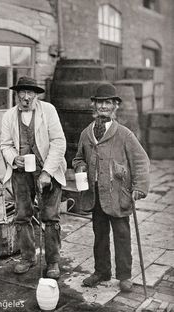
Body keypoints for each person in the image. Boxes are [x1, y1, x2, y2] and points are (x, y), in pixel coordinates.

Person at [72, 82, 150, 292]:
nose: (103, 106)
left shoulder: (124, 134)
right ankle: (101, 271)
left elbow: (141, 161)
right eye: (99, 103)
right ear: (94, 106)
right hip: (96, 194)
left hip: (118, 195)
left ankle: (124, 275)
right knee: (100, 234)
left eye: (108, 103)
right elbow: (79, 157)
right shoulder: (86, 134)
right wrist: (79, 166)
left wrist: (139, 187)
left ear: (115, 106)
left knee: (122, 235)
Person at [0, 76, 67, 279]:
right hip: (21, 173)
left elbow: (59, 142)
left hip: (49, 169)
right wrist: (14, 158)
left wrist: (46, 172)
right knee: (22, 215)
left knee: (50, 217)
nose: (26, 97)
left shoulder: (48, 111)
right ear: (17, 94)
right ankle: (28, 257)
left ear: (36, 95)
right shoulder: (9, 116)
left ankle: (53, 261)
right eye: (22, 93)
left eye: (30, 93)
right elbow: (5, 145)